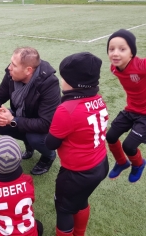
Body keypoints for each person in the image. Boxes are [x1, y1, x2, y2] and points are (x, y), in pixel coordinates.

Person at [45, 52, 109, 236]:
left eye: (63, 77)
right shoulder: (99, 100)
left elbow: (50, 143)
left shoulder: (67, 109)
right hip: (100, 164)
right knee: (81, 201)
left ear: (71, 81)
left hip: (77, 173)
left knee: (64, 208)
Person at [0, 47, 60, 175]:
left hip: (44, 126)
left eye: (14, 65)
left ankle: (49, 155)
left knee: (34, 137)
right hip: (22, 116)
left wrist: (13, 120)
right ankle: (29, 144)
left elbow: (46, 123)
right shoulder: (11, 74)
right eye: (11, 63)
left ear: (28, 70)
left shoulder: (49, 83)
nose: (9, 67)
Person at [0, 135, 43, 236]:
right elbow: (31, 200)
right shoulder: (27, 180)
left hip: (0, 232)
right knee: (39, 226)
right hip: (28, 232)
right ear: (19, 161)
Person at [106, 29, 146, 183]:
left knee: (129, 146)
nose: (115, 53)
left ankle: (139, 164)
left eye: (122, 49)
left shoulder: (141, 65)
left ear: (131, 53)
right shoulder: (114, 68)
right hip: (131, 110)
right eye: (111, 49)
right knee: (110, 136)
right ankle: (122, 162)